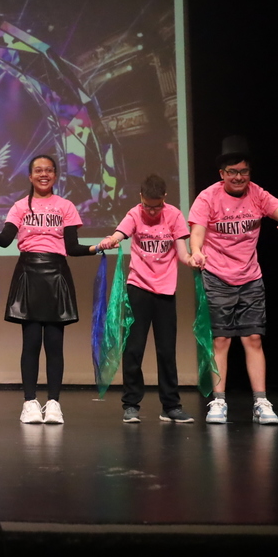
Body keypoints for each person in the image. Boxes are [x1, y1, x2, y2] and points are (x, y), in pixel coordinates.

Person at [0, 155, 106, 425]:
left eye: (49, 170)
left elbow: (72, 248)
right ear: (30, 176)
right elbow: (4, 240)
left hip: (56, 275)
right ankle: (29, 403)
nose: (44, 174)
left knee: (54, 344)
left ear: (55, 175)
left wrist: (98, 247)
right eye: (38, 171)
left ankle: (53, 404)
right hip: (28, 274)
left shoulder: (66, 206)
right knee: (30, 343)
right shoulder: (19, 206)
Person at [189, 148, 278, 425]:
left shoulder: (257, 193)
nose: (238, 177)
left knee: (253, 338)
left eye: (243, 171)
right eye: (232, 172)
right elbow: (197, 232)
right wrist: (196, 251)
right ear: (222, 174)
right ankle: (218, 401)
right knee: (221, 340)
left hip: (250, 277)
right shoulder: (208, 197)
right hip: (217, 276)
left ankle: (261, 402)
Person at [102, 174, 193, 424]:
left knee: (166, 350)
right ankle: (131, 404)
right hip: (138, 288)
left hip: (165, 290)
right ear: (141, 197)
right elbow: (120, 233)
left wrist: (192, 260)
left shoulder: (174, 215)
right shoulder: (135, 213)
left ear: (164, 198)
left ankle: (171, 406)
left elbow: (183, 253)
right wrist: (112, 240)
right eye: (147, 206)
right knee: (134, 349)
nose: (152, 212)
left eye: (157, 206)